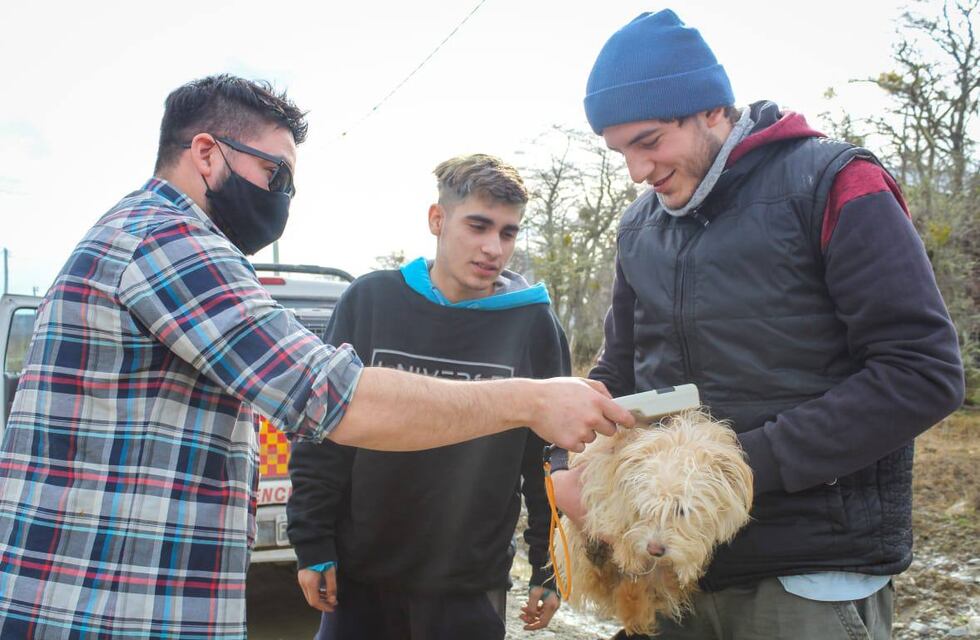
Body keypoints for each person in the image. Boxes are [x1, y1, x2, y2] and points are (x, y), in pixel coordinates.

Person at [0, 75, 632, 639]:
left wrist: (546, 559)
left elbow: (533, 468)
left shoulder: (143, 235)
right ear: (205, 153)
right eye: (275, 173)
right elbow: (331, 399)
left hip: (122, 592)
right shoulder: (166, 243)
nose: (284, 194)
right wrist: (530, 398)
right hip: (104, 603)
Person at [550, 10, 965, 640]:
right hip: (669, 580)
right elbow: (622, 370)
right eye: (620, 152)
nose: (637, 171)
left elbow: (921, 373)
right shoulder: (639, 227)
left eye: (650, 141)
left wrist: (733, 471)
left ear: (712, 110)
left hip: (806, 579)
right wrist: (570, 457)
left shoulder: (834, 183)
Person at [288, 154, 565, 639]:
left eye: (507, 232)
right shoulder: (371, 301)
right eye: (478, 225)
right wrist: (313, 544)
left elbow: (546, 457)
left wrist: (549, 566)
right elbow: (322, 430)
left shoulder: (533, 324)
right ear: (437, 220)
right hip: (360, 580)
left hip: (468, 588)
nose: (493, 247)